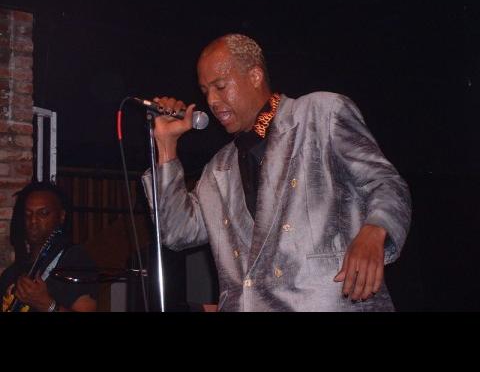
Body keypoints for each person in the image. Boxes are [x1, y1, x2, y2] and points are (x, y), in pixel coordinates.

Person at [142, 33, 411, 311]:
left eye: (220, 86)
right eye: (205, 91)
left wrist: (374, 230)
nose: (211, 100)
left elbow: (385, 182)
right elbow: (177, 232)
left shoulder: (320, 114)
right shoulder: (218, 169)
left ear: (255, 76)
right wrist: (166, 146)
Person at [0, 181, 98, 312]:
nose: (33, 221)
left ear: (61, 216)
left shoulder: (74, 261)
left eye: (43, 213)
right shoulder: (12, 273)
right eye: (28, 214)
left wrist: (47, 304)